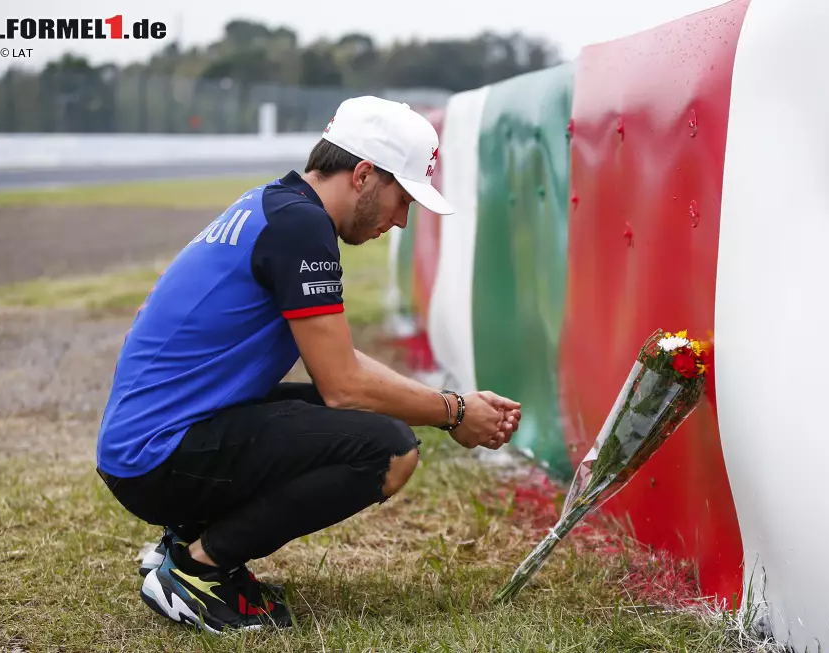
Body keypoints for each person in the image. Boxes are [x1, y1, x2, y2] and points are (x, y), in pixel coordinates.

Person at [94, 96, 522, 633]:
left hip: (148, 443)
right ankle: (197, 570)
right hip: (155, 458)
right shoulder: (302, 228)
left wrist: (451, 406)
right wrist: (453, 412)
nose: (403, 220)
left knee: (357, 423)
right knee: (387, 450)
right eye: (401, 198)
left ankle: (186, 538)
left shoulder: (275, 205)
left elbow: (336, 357)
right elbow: (344, 386)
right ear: (364, 175)